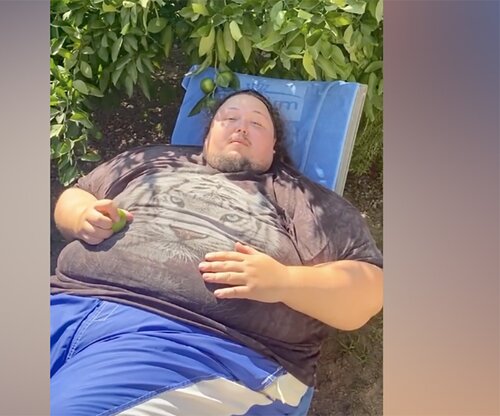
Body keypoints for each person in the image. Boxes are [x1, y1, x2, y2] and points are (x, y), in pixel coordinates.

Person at [50, 89, 383, 416]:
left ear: (274, 146)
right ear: (208, 134)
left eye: (256, 123)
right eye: (229, 118)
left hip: (197, 346)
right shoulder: (152, 160)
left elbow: (368, 289)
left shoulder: (303, 199)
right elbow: (80, 193)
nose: (241, 128)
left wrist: (284, 281)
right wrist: (81, 215)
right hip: (63, 306)